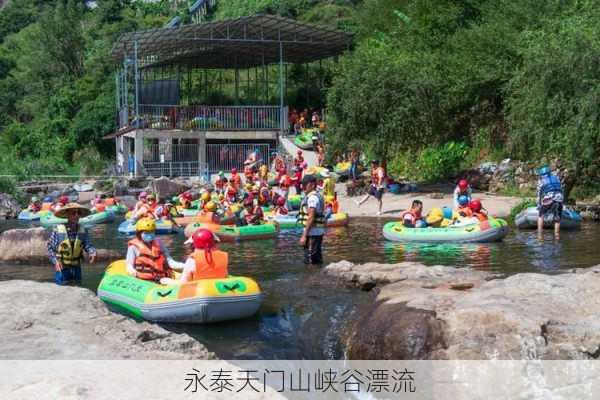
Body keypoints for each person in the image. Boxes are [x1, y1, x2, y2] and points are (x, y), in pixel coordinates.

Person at [47, 203, 97, 285]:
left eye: (78, 213)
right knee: (62, 289)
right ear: (67, 215)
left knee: (78, 287)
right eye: (73, 213)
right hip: (62, 267)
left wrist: (93, 252)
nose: (76, 215)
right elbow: (50, 248)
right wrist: (56, 262)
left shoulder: (83, 230)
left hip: (77, 267)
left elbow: (88, 245)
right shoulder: (58, 230)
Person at [161, 229, 229, 285]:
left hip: (199, 292)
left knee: (164, 280)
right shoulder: (222, 256)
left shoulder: (192, 260)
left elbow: (183, 283)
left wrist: (167, 281)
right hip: (219, 290)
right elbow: (225, 276)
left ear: (194, 244)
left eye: (191, 244)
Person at [297, 175, 326, 265]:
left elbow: (311, 217)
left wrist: (304, 235)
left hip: (312, 234)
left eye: (306, 184)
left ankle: (312, 278)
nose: (303, 186)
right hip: (317, 232)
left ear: (313, 185)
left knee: (311, 261)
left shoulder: (312, 198)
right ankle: (318, 276)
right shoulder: (316, 196)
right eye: (302, 184)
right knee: (316, 259)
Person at [536, 165, 564, 239]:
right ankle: (557, 236)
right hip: (559, 199)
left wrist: (538, 205)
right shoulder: (557, 178)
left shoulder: (541, 181)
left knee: (540, 215)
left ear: (542, 174)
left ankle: (540, 235)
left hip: (549, 199)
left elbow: (539, 194)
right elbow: (561, 190)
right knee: (557, 219)